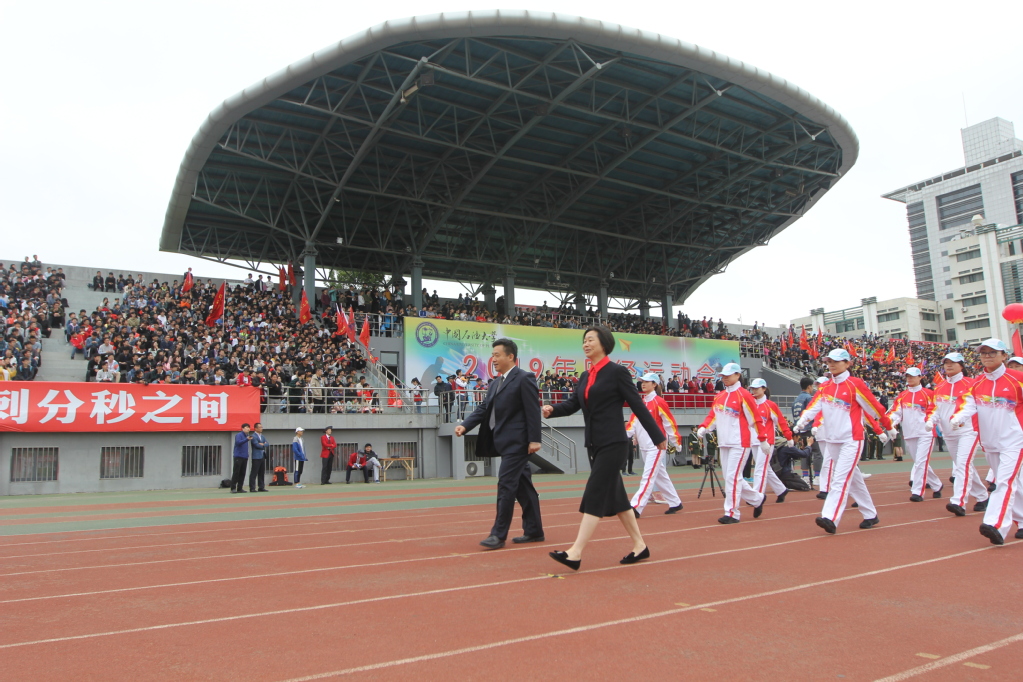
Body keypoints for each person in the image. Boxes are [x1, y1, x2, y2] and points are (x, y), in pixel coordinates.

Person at [543, 326, 664, 570]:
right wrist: (553, 409)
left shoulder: (617, 372)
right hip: (594, 443)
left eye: (590, 340)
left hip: (613, 443)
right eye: (584, 340)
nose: (585, 344)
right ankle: (640, 546)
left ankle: (575, 553)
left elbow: (637, 405)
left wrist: (657, 435)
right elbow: (574, 404)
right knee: (618, 500)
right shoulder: (586, 376)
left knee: (595, 492)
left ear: (604, 344)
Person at [457, 338, 544, 550]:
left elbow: (533, 410)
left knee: (506, 485)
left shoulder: (524, 378)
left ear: (510, 356)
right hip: (502, 441)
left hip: (518, 443)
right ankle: (534, 530)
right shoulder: (495, 383)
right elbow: (484, 408)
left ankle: (498, 534)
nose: (493, 359)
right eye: (492, 355)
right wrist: (465, 425)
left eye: (497, 355)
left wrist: (535, 439)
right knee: (524, 487)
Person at [794, 348, 892, 534]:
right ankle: (870, 514)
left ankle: (830, 517)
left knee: (840, 478)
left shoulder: (855, 384)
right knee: (854, 479)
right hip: (832, 440)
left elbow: (874, 408)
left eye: (836, 361)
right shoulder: (825, 387)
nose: (831, 364)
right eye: (829, 361)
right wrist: (802, 421)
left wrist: (888, 426)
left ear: (847, 363)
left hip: (851, 439)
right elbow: (814, 406)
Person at [950, 338, 1023, 545]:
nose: (987, 356)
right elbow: (967, 405)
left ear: (1004, 356)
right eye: (984, 353)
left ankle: (995, 524)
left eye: (993, 352)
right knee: (1013, 482)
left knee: (1004, 482)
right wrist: (958, 418)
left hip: (1015, 439)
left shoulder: (1018, 379)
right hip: (990, 442)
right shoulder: (977, 383)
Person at [696, 364, 769, 524]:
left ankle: (732, 513)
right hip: (724, 442)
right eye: (723, 375)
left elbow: (755, 419)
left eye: (728, 375)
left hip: (739, 442)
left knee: (732, 477)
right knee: (731, 477)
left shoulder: (745, 395)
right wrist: (704, 427)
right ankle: (757, 499)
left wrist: (763, 439)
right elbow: (713, 416)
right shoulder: (720, 396)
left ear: (738, 375)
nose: (725, 378)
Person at [930, 352, 988, 517]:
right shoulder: (939, 386)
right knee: (964, 465)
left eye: (953, 363)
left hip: (968, 431)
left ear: (961, 365)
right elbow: (936, 408)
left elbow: (974, 406)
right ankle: (983, 497)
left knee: (962, 465)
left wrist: (960, 418)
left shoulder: (971, 384)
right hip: (949, 433)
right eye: (946, 363)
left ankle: (959, 501)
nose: (948, 365)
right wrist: (931, 420)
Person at [627, 372, 683, 517]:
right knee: (660, 475)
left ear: (654, 384)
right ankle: (675, 502)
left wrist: (676, 441)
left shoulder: (659, 402)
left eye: (647, 382)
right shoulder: (641, 402)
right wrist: (625, 436)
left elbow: (669, 422)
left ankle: (636, 506)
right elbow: (632, 423)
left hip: (657, 446)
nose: (643, 384)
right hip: (644, 446)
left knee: (648, 476)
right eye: (642, 382)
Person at [888, 367, 942, 502]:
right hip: (909, 433)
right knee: (919, 462)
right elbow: (896, 412)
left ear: (920, 377)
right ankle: (937, 485)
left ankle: (917, 491)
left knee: (921, 461)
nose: (910, 379)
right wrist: (891, 423)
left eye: (912, 376)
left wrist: (933, 424)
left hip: (926, 432)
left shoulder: (929, 394)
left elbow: (935, 411)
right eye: (908, 376)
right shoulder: (902, 395)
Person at [749, 378, 793, 504]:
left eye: (757, 388)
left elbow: (781, 422)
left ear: (764, 389)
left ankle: (757, 496)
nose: (754, 391)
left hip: (767, 442)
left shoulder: (770, 405)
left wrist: (788, 437)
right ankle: (781, 490)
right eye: (752, 388)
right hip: (754, 441)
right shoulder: (750, 404)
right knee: (765, 468)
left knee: (759, 468)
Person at [231, 423, 252, 493]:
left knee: (242, 473)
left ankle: (240, 488)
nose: (248, 429)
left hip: (245, 457)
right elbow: (238, 442)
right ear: (242, 428)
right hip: (238, 456)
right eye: (246, 427)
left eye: (249, 427)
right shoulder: (239, 435)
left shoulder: (247, 436)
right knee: (236, 472)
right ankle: (233, 488)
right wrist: (246, 439)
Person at [249, 422, 268, 492]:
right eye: (260, 427)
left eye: (261, 427)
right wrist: (263, 444)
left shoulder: (262, 436)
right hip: (256, 457)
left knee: (261, 472)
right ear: (256, 428)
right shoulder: (253, 436)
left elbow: (267, 444)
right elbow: (256, 445)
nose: (261, 428)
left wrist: (262, 444)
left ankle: (261, 487)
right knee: (254, 472)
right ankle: (252, 488)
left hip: (262, 455)